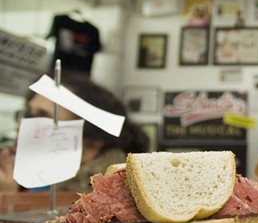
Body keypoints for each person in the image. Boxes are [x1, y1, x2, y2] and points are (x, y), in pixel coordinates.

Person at [0, 71, 150, 193]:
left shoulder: (102, 206)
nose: (19, 128)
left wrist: (8, 200)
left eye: (42, 117)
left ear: (90, 146)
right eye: (27, 115)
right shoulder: (27, 180)